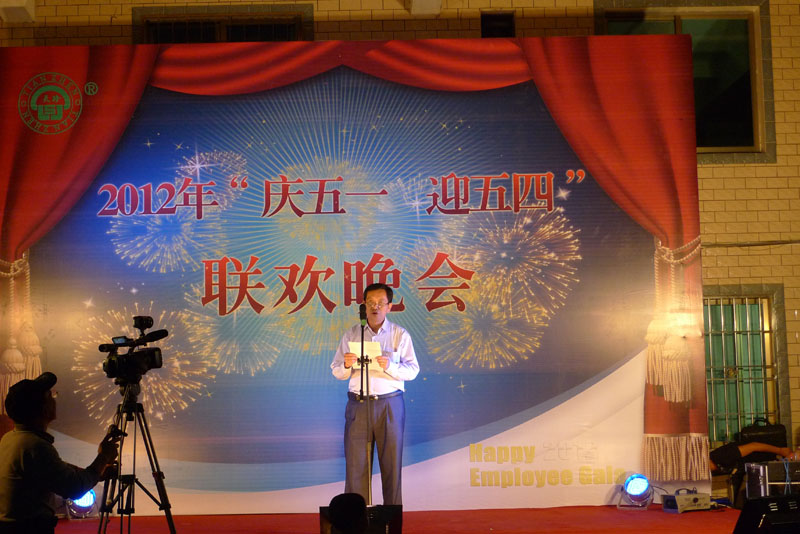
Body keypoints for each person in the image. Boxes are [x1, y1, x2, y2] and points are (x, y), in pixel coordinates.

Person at [331, 283, 419, 505]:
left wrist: (390, 366)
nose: (375, 307)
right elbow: (336, 371)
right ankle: (357, 519)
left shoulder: (399, 335)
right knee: (356, 467)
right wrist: (347, 365)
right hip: (359, 405)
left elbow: (413, 370)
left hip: (390, 405)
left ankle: (391, 519)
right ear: (363, 305)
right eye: (370, 303)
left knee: (391, 465)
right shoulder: (352, 334)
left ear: (389, 306)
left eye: (380, 303)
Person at [0, 372, 120, 533]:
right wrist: (104, 456)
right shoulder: (35, 446)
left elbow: (55, 470)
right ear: (43, 409)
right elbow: (75, 488)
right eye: (50, 396)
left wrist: (97, 473)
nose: (55, 400)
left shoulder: (11, 438)